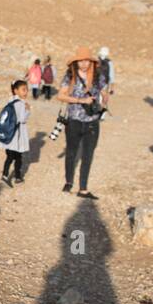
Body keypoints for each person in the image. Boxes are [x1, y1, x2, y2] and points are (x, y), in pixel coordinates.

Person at [56, 46, 109, 199]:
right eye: (81, 61)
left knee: (88, 154)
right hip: (74, 120)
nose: (84, 64)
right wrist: (80, 100)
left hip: (92, 120)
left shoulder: (99, 77)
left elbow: (105, 93)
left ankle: (83, 188)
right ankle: (68, 182)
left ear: (91, 61)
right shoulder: (70, 76)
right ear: (76, 62)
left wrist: (103, 101)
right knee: (71, 152)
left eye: (87, 60)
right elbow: (61, 96)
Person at [0, 79, 32, 185]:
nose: (26, 92)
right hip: (17, 135)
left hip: (9, 134)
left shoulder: (10, 101)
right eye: (23, 90)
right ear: (16, 90)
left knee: (9, 157)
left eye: (26, 90)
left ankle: (4, 175)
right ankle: (17, 176)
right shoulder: (21, 104)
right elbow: (22, 119)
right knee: (18, 157)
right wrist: (28, 110)